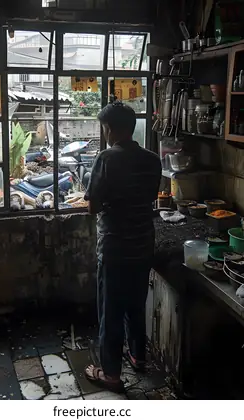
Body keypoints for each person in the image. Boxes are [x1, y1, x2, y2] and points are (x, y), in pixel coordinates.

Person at [83, 102, 162, 393]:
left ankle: (111, 375)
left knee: (111, 312)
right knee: (136, 305)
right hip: (143, 245)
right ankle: (139, 357)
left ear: (110, 129)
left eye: (104, 128)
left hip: (115, 248)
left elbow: (92, 207)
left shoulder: (106, 158)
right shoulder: (153, 159)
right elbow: (147, 197)